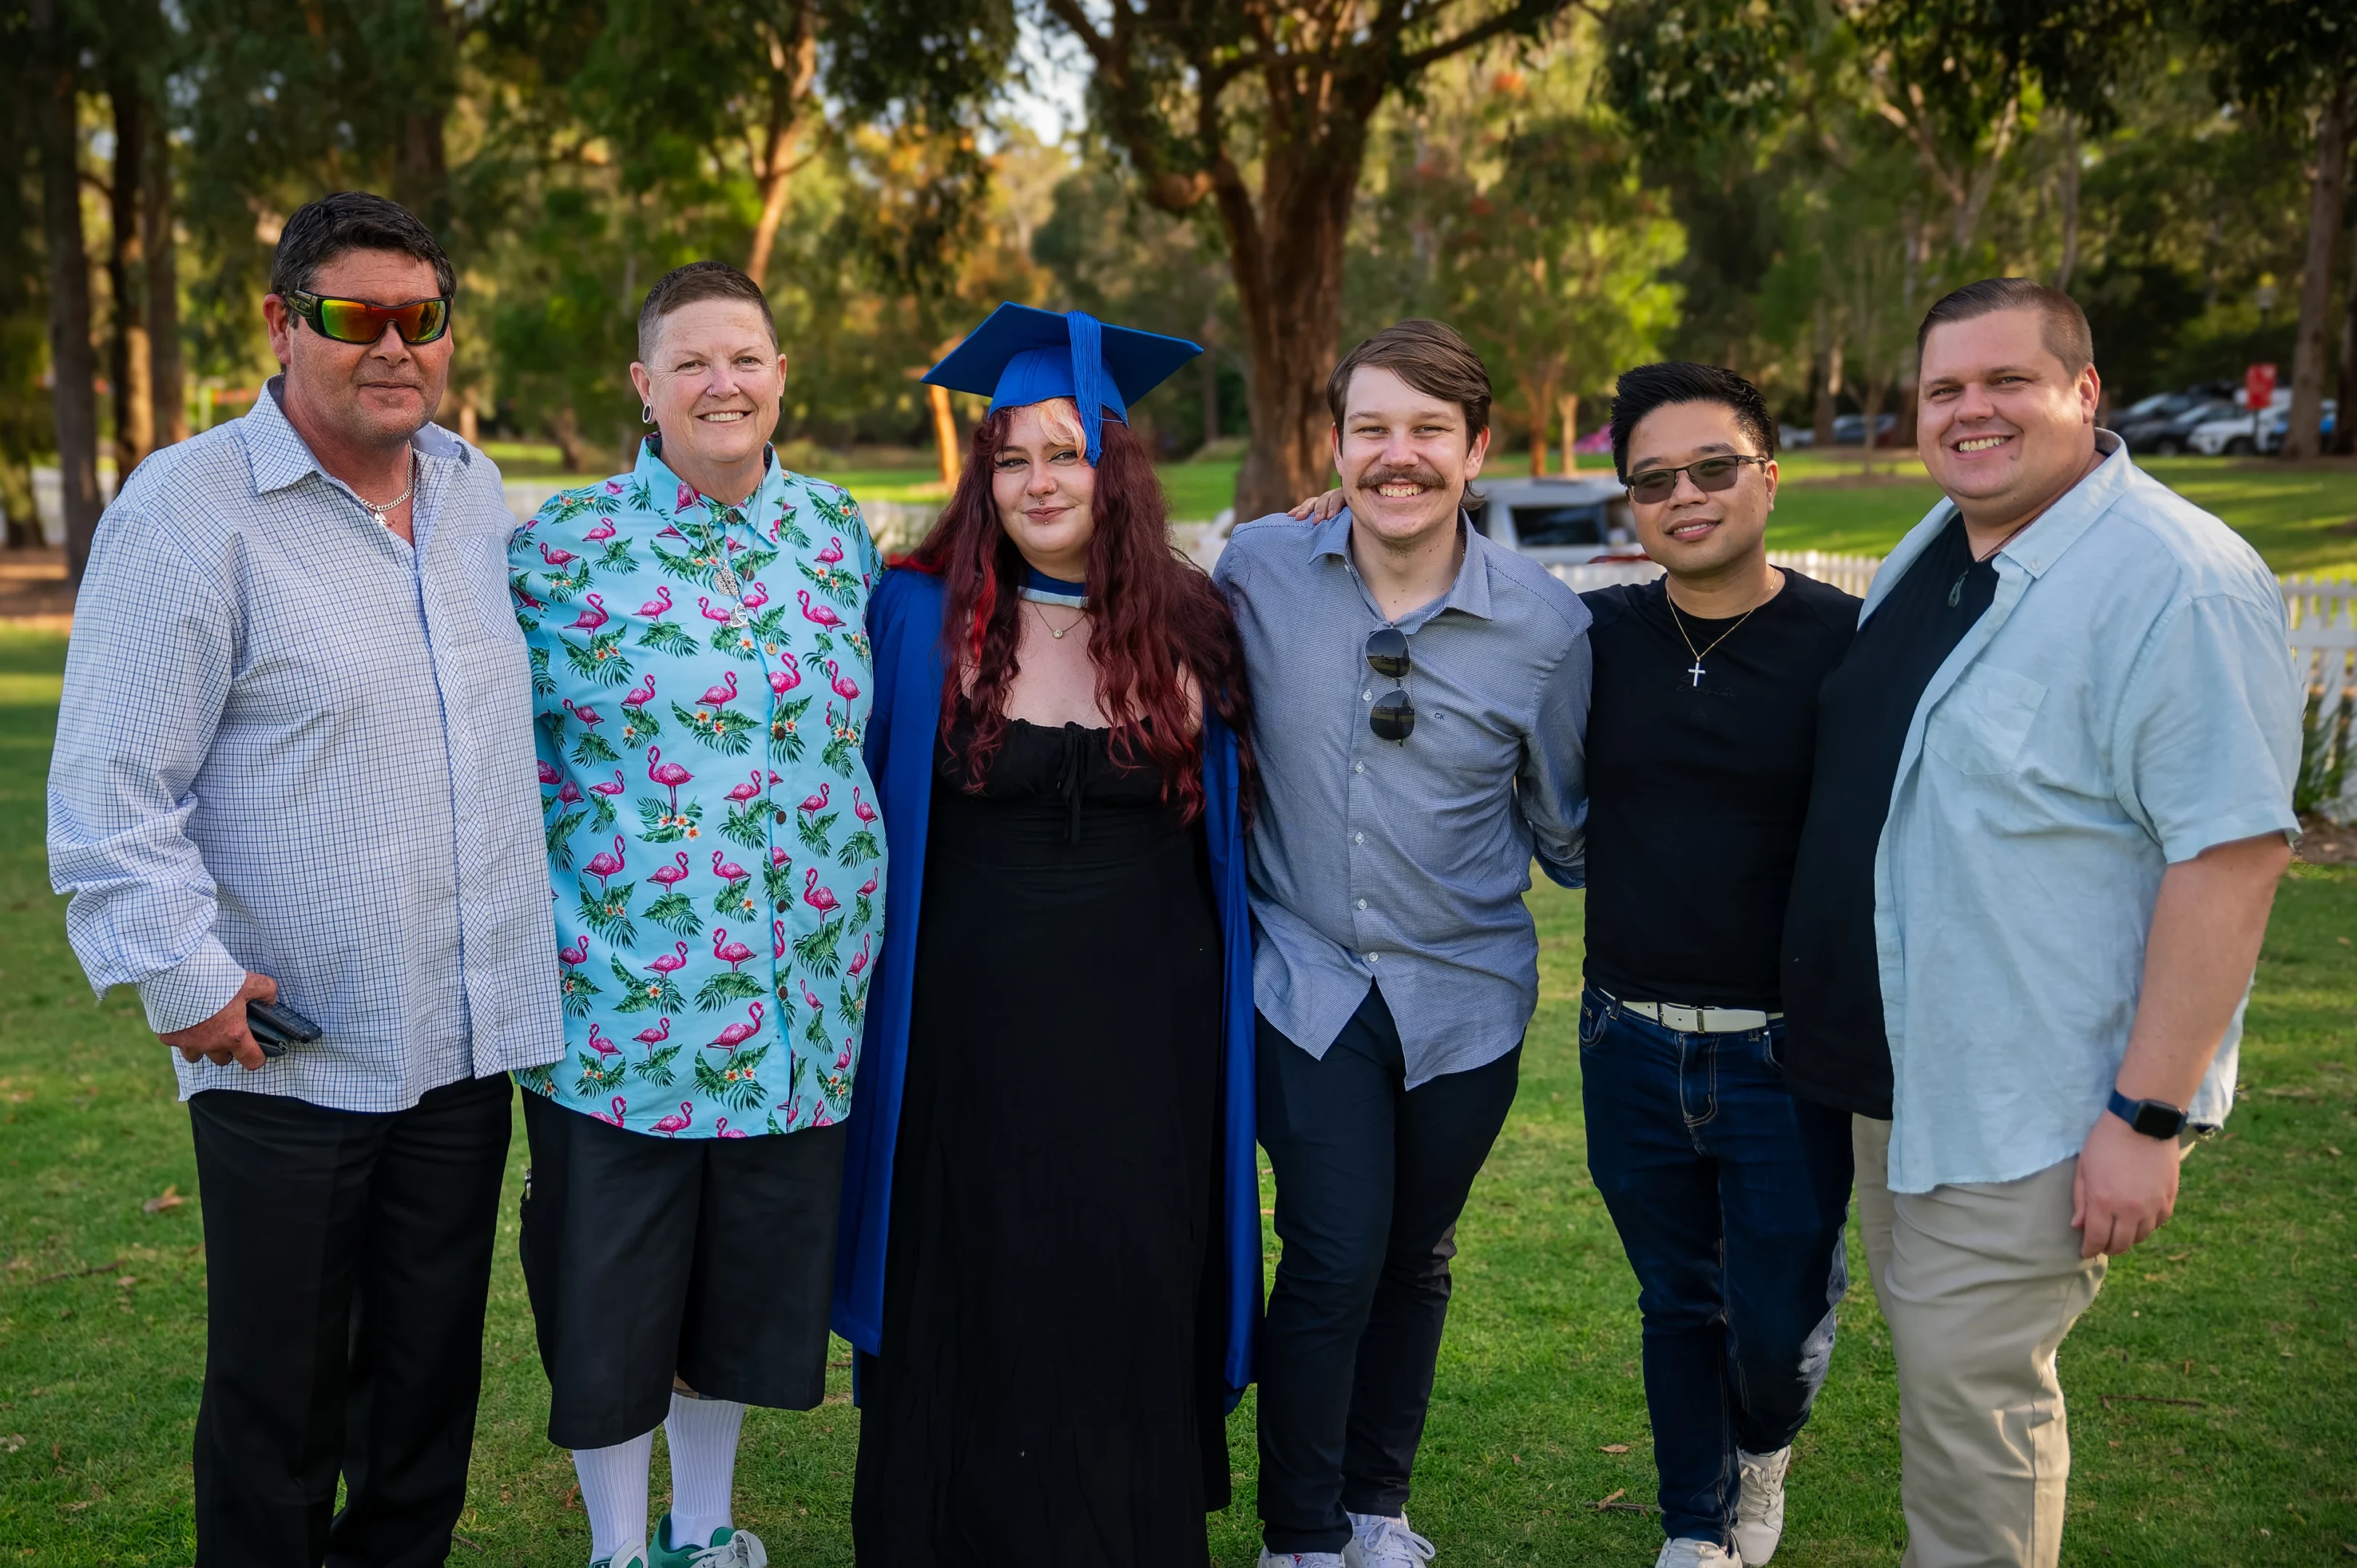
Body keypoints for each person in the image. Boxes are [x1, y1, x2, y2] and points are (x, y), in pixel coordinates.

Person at [46, 191, 561, 1567]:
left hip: (461, 1043)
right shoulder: (188, 509)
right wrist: (188, 983)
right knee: (281, 1410)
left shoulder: (469, 490)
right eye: (354, 317)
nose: (393, 346)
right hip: (291, 1055)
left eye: (421, 317)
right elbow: (108, 799)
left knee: (425, 1402)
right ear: (283, 326)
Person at [1780, 278, 2300, 1568]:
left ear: (2083, 393)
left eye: (2006, 381)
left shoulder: (2175, 583)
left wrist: (2146, 1117)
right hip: (1906, 1087)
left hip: (2032, 1108)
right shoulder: (1945, 545)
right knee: (1946, 1394)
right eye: (1944, 389)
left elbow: (2229, 861)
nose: (1971, 411)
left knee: (1973, 1422)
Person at [834, 301, 1262, 1567]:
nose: (1036, 480)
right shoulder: (917, 617)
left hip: (1150, 1038)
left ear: (1113, 467)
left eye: (1064, 451)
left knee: (1126, 1269)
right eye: (1009, 455)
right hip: (963, 1030)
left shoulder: (1191, 620)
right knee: (974, 1268)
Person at [509, 260, 885, 1568]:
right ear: (644, 387)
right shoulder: (557, 546)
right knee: (614, 1304)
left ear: (783, 375)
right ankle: (619, 1548)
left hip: (797, 1011)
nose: (721, 383)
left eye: (745, 357)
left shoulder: (841, 537)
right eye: (690, 362)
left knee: (736, 1297)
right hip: (623, 1008)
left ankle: (708, 1528)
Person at [1231, 319, 1590, 1568]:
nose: (1399, 457)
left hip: (1466, 996)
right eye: (1371, 430)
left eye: (1428, 432)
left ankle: (1376, 1507)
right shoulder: (1255, 571)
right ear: (1331, 446)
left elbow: (1567, 826)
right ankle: (1300, 1534)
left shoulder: (1547, 630)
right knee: (1332, 1245)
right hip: (1305, 975)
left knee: (1414, 1255)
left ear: (1477, 450)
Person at [1579, 364, 1857, 1568]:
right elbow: (1433, 592)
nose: (1683, 496)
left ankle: (1767, 1443)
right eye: (1652, 480)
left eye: (1713, 467)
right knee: (1673, 1299)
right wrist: (1320, 514)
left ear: (1767, 477)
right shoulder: (1587, 634)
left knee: (1778, 1325)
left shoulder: (1849, 644)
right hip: (1624, 1037)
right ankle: (1696, 1525)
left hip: (1788, 1052)